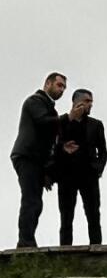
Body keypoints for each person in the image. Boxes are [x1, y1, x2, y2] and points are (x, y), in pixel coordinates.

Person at [10, 72, 66, 247]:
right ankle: (25, 242)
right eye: (59, 85)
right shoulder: (34, 101)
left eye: (63, 87)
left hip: (36, 160)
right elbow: (43, 122)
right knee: (31, 200)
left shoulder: (49, 108)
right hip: (27, 157)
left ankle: (27, 240)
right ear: (47, 83)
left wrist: (48, 168)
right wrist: (67, 118)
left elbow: (50, 140)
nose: (62, 89)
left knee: (36, 201)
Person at [53, 88, 107, 246]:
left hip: (89, 176)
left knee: (93, 215)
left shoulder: (96, 125)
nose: (90, 105)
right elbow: (52, 147)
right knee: (66, 217)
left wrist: (98, 169)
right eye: (87, 101)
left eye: (91, 102)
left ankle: (96, 249)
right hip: (66, 176)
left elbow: (103, 151)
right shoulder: (61, 121)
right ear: (77, 102)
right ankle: (65, 252)